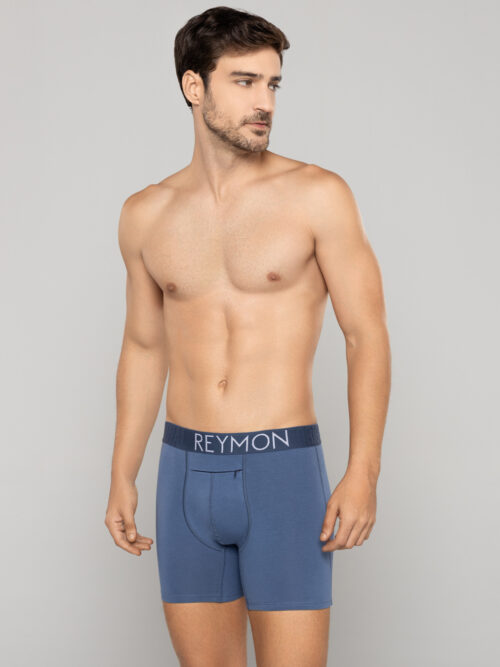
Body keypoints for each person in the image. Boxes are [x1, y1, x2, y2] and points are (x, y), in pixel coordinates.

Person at [105, 6, 391, 666]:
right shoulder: (145, 213)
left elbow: (365, 335)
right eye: (244, 82)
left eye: (272, 84)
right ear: (193, 86)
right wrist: (122, 471)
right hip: (184, 473)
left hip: (282, 472)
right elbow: (145, 346)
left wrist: (364, 470)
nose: (265, 102)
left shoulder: (318, 195)